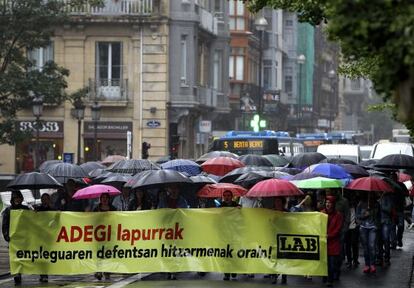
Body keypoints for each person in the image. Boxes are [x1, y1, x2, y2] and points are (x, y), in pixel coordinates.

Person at [158, 184, 188, 280]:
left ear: (178, 190)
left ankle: (174, 270)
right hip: (166, 229)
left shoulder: (182, 201)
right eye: (172, 188)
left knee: (176, 249)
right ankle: (168, 268)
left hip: (178, 229)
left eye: (176, 188)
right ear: (169, 189)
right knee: (166, 249)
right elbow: (159, 212)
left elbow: (184, 213)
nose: (174, 190)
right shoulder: (163, 200)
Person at [1, 190, 30, 285]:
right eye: (15, 198)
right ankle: (17, 274)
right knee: (15, 257)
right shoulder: (8, 210)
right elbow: (5, 225)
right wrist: (6, 236)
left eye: (19, 198)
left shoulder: (26, 209)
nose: (17, 200)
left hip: (24, 238)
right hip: (13, 239)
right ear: (12, 199)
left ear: (21, 199)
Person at [94, 193, 116, 280]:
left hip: (110, 234)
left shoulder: (113, 209)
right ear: (100, 199)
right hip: (99, 235)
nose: (104, 199)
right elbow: (92, 220)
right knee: (99, 253)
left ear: (109, 199)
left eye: (106, 198)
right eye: (103, 197)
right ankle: (98, 271)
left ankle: (107, 271)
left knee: (108, 253)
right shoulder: (96, 209)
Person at [322, 196, 343, 287]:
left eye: (329, 202)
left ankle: (331, 278)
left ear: (333, 204)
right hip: (324, 242)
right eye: (326, 202)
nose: (327, 204)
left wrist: (329, 236)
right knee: (324, 261)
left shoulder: (338, 215)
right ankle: (326, 277)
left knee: (332, 262)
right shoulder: (321, 213)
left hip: (333, 243)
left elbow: (338, 229)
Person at [356, 192, 379, 274]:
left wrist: (376, 225)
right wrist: (364, 214)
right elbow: (357, 216)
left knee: (372, 246)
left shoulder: (376, 204)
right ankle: (367, 264)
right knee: (365, 247)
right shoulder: (361, 204)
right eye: (369, 194)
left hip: (372, 227)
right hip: (363, 227)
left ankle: (372, 264)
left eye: (372, 194)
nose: (370, 195)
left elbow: (378, 216)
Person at [35, 193, 55, 282]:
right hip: (40, 236)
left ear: (49, 200)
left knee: (47, 256)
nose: (44, 200)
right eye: (43, 199)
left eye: (46, 199)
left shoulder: (53, 209)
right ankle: (43, 274)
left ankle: (45, 273)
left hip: (49, 236)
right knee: (41, 256)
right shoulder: (38, 209)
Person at [377, 191, 394, 267]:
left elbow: (389, 209)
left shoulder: (387, 198)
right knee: (379, 241)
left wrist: (380, 205)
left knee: (386, 239)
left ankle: (387, 258)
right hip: (378, 222)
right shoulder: (377, 199)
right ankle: (380, 258)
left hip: (386, 222)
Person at [344, 193, 360, 269]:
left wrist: (358, 224)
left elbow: (359, 216)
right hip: (347, 228)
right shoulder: (346, 209)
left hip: (354, 227)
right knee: (348, 245)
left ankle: (355, 260)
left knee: (354, 244)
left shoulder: (357, 207)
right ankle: (349, 260)